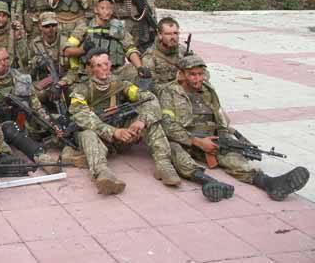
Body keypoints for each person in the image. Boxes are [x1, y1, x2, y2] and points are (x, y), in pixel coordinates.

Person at [159, 55, 310, 202]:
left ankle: (269, 184)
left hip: (211, 139)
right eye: (192, 75)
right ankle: (209, 182)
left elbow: (219, 115)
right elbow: (168, 126)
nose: (197, 79)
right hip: (185, 140)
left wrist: (224, 136)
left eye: (200, 74)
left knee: (232, 156)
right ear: (182, 74)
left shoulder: (207, 90)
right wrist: (198, 142)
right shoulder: (170, 92)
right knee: (174, 151)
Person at [68, 49, 180, 195]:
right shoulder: (81, 90)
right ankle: (102, 173)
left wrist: (141, 121)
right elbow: (82, 117)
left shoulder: (121, 84)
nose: (104, 69)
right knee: (88, 134)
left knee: (152, 120)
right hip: (99, 136)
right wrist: (114, 132)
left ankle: (163, 163)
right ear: (90, 69)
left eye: (106, 64)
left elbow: (149, 98)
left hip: (122, 133)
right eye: (98, 65)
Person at [62, 0, 149, 86]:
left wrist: (139, 67)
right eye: (102, 8)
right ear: (96, 10)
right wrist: (83, 50)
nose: (106, 12)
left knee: (137, 76)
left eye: (109, 8)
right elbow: (67, 51)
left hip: (115, 71)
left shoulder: (118, 28)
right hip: (91, 71)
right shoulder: (85, 27)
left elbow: (130, 49)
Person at [142, 17, 192, 87]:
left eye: (175, 33)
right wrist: (177, 82)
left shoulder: (183, 50)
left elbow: (202, 70)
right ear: (159, 35)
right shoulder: (149, 57)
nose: (173, 37)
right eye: (168, 34)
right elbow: (150, 86)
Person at [27, 11, 64, 105]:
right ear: (40, 27)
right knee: (35, 95)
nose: (51, 29)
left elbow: (74, 70)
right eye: (47, 26)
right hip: (43, 80)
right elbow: (28, 70)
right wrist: (37, 63)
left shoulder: (65, 42)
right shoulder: (35, 44)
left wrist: (60, 84)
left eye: (53, 25)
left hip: (63, 82)